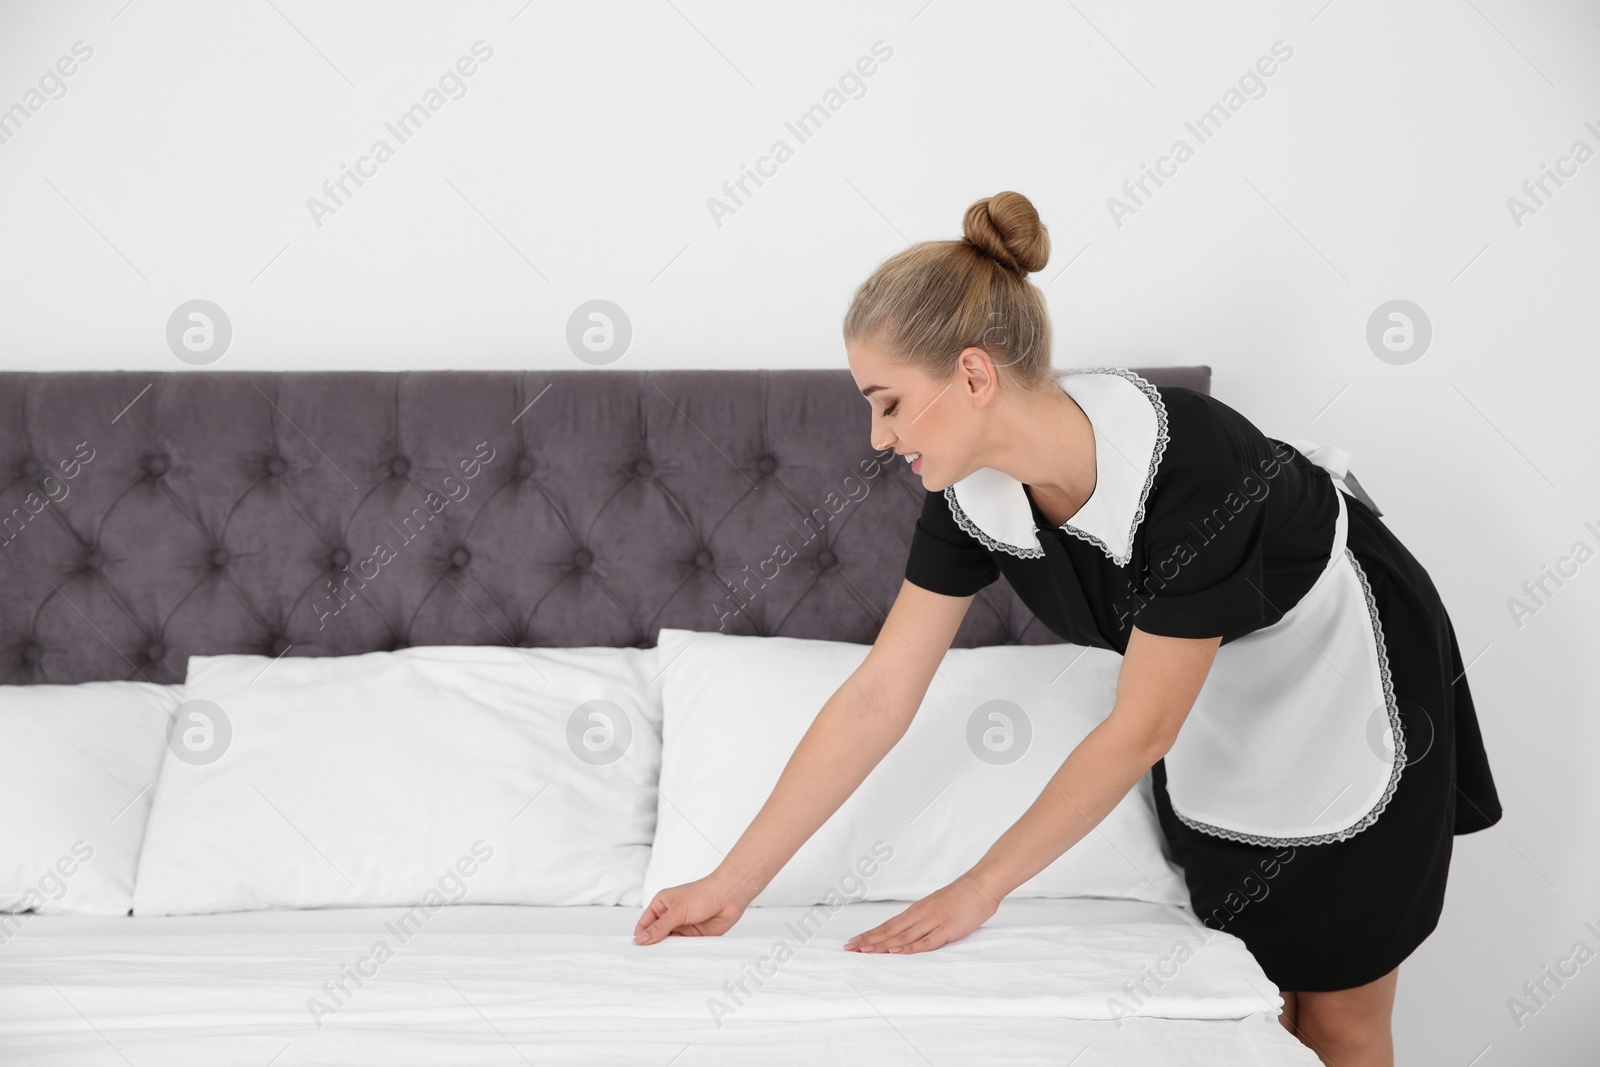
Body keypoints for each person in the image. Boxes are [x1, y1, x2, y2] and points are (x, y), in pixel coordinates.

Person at [632, 191, 1501, 1067]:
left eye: (889, 402)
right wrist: (731, 884)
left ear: (973, 376)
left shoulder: (1189, 469)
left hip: (1346, 664)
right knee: (1260, 1007)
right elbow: (877, 696)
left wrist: (980, 888)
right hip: (1222, 687)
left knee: (1341, 1019)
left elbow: (1141, 726)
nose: (877, 434)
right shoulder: (965, 493)